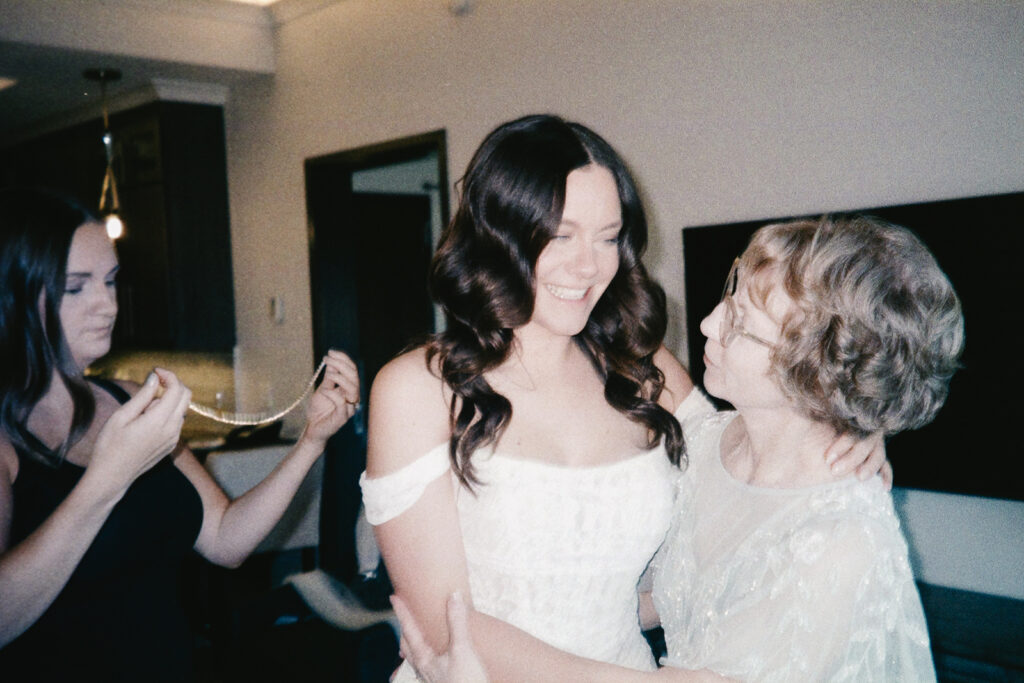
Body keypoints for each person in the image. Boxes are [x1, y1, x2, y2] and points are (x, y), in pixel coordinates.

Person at [361, 115, 886, 681]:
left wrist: (838, 434)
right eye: (560, 235)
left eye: (608, 237)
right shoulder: (417, 390)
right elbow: (447, 626)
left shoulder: (640, 365)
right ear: (498, 234)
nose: (589, 265)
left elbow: (744, 465)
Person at [394, 213, 962, 681]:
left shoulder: (841, 542)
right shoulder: (707, 443)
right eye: (729, 296)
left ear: (813, 375)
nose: (710, 325)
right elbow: (665, 597)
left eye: (741, 325)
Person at [0, 187, 361, 681]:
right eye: (77, 286)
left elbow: (224, 539)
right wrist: (108, 478)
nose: (107, 304)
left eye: (110, 281)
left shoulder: (132, 401)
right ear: (18, 295)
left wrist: (311, 442)